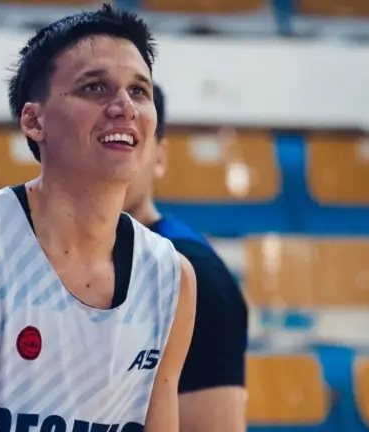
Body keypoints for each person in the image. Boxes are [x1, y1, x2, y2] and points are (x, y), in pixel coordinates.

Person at [0, 5, 197, 432]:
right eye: (95, 87)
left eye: (139, 91)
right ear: (34, 120)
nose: (124, 107)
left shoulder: (171, 278)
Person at [123, 83, 249, 432]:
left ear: (160, 158)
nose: (114, 158)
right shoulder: (30, 252)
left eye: (129, 141)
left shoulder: (196, 274)